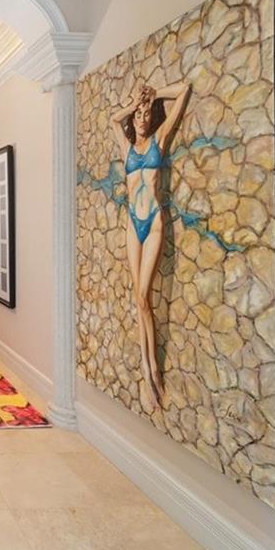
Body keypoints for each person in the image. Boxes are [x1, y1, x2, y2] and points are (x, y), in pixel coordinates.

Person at [110, 82, 192, 405]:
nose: (143, 119)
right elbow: (113, 120)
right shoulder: (127, 147)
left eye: (147, 114)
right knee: (139, 298)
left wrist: (154, 95)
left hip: (154, 221)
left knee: (144, 295)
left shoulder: (160, 139)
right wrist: (135, 103)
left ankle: (153, 368)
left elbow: (184, 90)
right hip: (133, 223)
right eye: (139, 115)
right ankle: (147, 366)